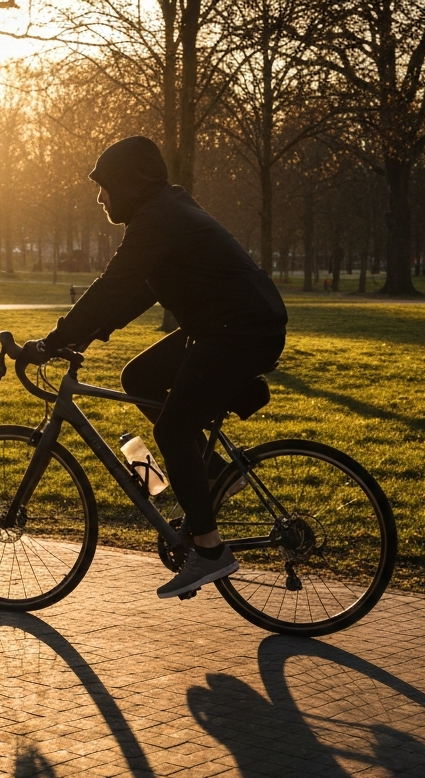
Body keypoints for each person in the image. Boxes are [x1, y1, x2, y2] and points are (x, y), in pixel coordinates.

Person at [23, 136, 288, 599]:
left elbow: (112, 286)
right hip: (227, 325)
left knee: (172, 430)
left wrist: (55, 340)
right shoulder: (164, 210)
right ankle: (212, 476)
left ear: (128, 184)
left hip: (239, 331)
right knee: (138, 378)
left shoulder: (157, 218)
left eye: (105, 186)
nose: (100, 197)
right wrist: (87, 334)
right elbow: (138, 291)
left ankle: (209, 551)